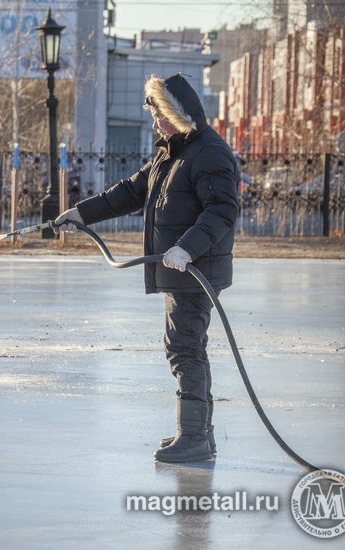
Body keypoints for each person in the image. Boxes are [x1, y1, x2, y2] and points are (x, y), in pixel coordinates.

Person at [55, 73, 239, 463]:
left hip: (195, 271)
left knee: (184, 348)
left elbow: (222, 209)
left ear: (177, 112)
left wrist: (187, 249)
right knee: (187, 347)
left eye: (159, 114)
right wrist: (81, 213)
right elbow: (131, 191)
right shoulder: (171, 152)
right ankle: (199, 436)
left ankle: (193, 438)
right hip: (183, 270)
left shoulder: (208, 152)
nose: (154, 123)